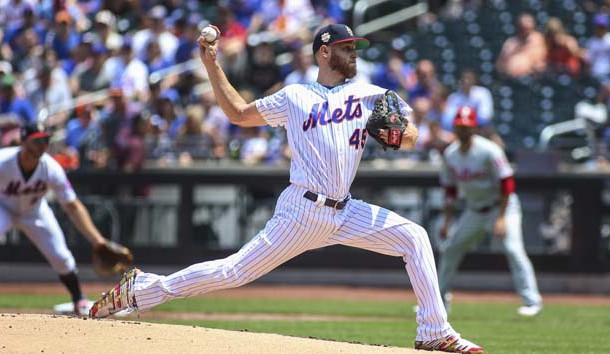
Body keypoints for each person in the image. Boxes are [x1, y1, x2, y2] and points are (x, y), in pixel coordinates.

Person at [89, 23, 484, 353]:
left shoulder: (369, 95)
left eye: (355, 47)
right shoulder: (295, 96)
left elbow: (412, 136)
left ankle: (433, 331)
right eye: (347, 47)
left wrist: (399, 133)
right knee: (232, 272)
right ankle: (144, 289)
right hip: (302, 210)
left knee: (414, 237)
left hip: (345, 210)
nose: (354, 53)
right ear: (324, 52)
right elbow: (238, 115)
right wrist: (212, 64)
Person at [437, 106, 543, 317]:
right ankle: (438, 300)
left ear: (475, 128)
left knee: (513, 250)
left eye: (467, 127)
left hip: (502, 207)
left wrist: (502, 218)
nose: (463, 131)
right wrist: (447, 222)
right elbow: (450, 191)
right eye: (460, 127)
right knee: (450, 249)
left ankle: (532, 302)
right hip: (475, 210)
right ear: (455, 129)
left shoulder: (489, 150)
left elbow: (507, 183)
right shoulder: (450, 154)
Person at [0, 123, 116, 315]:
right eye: (37, 140)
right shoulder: (4, 161)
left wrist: (97, 240)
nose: (42, 144)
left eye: (45, 140)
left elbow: (72, 206)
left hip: (34, 211)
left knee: (61, 257)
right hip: (3, 207)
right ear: (23, 141)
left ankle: (79, 299)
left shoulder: (51, 168)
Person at [495, 13, 547, 78]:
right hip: (511, 79)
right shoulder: (511, 42)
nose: (525, 31)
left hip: (531, 78)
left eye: (528, 28)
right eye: (523, 28)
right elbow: (500, 64)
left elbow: (542, 62)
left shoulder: (539, 40)